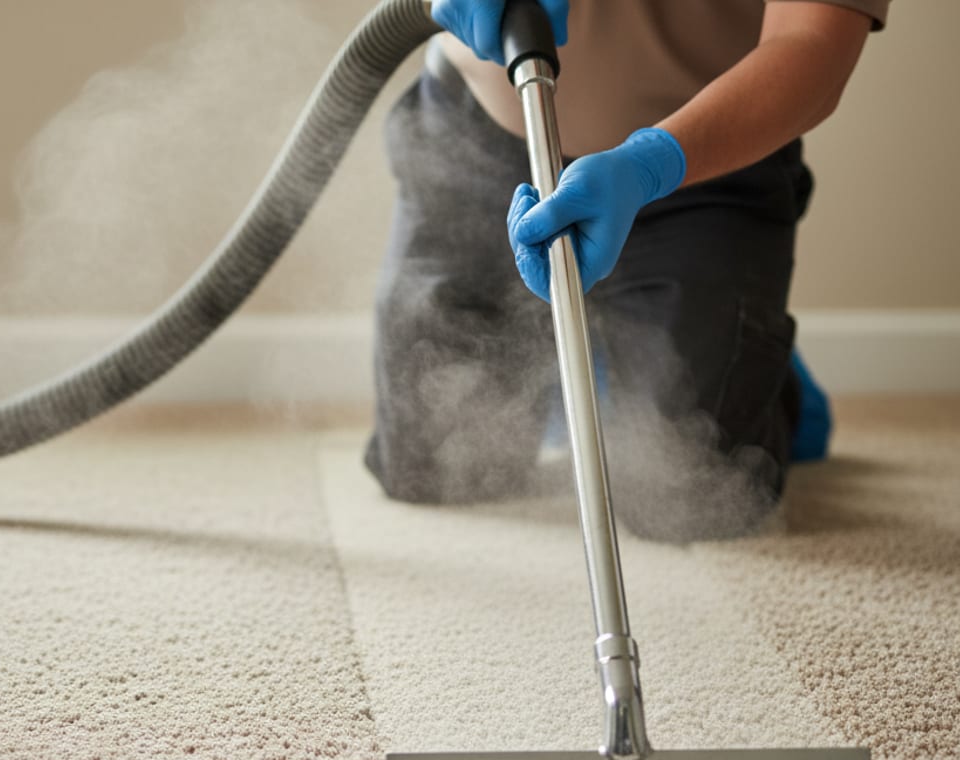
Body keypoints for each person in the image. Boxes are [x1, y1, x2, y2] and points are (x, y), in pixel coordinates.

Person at [365, 0, 888, 541]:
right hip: (485, 130)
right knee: (432, 462)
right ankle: (590, 348)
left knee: (694, 492)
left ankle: (748, 357)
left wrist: (648, 166)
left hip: (700, 157)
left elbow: (814, 44)